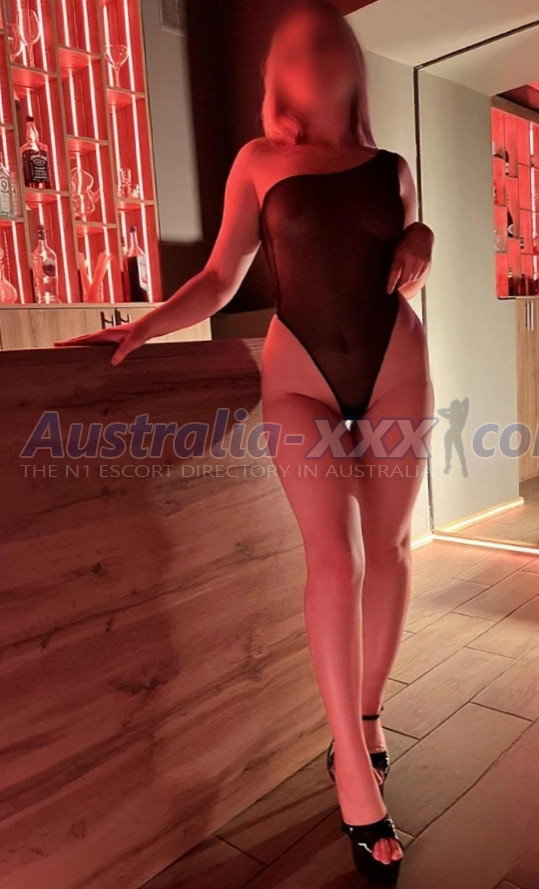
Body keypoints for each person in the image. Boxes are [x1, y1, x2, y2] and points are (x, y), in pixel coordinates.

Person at [58, 2, 434, 882]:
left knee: (388, 547)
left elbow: (403, 255)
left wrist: (420, 235)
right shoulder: (258, 160)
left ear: (349, 59)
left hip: (395, 363)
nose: (311, 49)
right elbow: (220, 276)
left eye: (326, 35)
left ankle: (369, 713)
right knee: (333, 559)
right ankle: (351, 768)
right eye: (291, 43)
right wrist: (143, 326)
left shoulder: (393, 167)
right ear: (277, 76)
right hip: (298, 373)